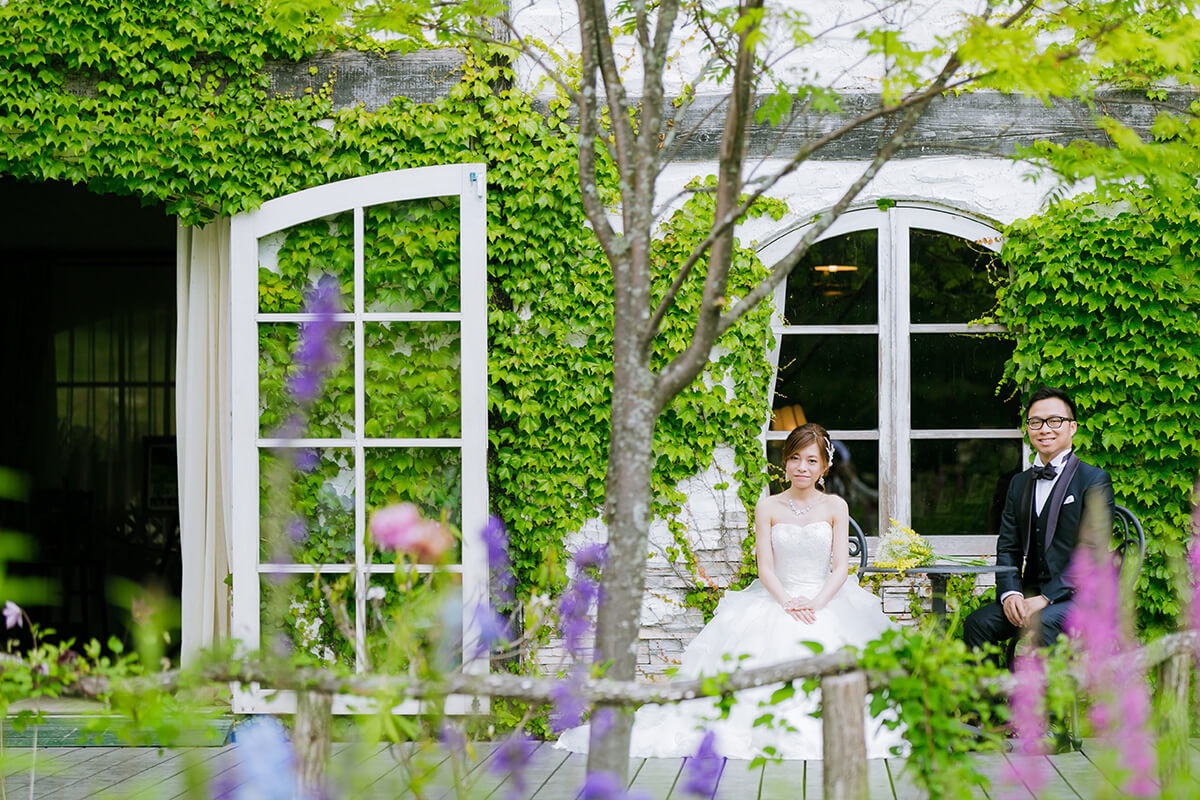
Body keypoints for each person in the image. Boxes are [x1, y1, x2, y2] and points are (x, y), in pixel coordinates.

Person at [554, 423, 904, 760]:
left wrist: (815, 602)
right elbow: (765, 567)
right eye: (795, 458)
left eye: (811, 460)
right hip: (779, 597)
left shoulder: (835, 507)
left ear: (824, 467)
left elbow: (841, 567)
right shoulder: (768, 506)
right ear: (785, 462)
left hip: (824, 597)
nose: (802, 467)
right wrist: (788, 603)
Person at [964, 386, 1114, 653]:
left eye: (1055, 421)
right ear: (1028, 429)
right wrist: (1011, 593)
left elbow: (1091, 554)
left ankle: (1043, 695)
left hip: (1078, 598)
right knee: (978, 623)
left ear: (1072, 428)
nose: (1045, 429)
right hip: (1029, 594)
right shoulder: (1018, 483)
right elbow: (1008, 546)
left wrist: (1046, 598)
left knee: (1042, 623)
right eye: (1036, 422)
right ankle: (987, 695)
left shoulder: (1093, 480)